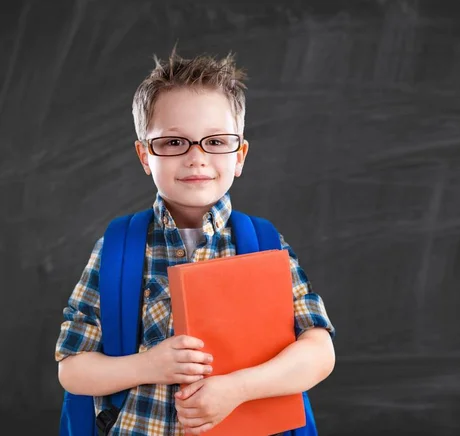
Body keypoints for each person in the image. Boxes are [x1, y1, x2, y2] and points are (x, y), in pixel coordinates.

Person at [55, 47, 336, 435]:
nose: (196, 158)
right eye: (173, 143)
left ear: (240, 156)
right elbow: (72, 369)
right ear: (143, 155)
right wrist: (149, 365)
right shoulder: (117, 248)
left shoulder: (266, 243)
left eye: (216, 142)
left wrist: (237, 389)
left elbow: (319, 352)